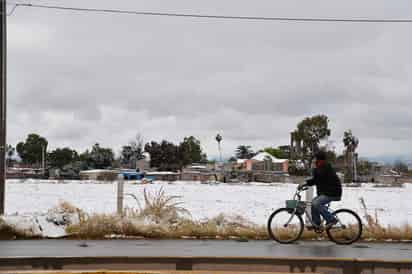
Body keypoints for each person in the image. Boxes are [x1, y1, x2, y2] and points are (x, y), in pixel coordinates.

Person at [299, 150, 342, 229]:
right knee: (313, 203)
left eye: (315, 159)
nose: (314, 160)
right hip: (327, 192)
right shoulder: (321, 167)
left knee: (316, 203)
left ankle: (332, 220)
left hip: (332, 193)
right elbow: (316, 180)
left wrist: (306, 182)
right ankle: (317, 224)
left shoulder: (325, 167)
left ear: (319, 160)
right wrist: (305, 184)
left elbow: (317, 179)